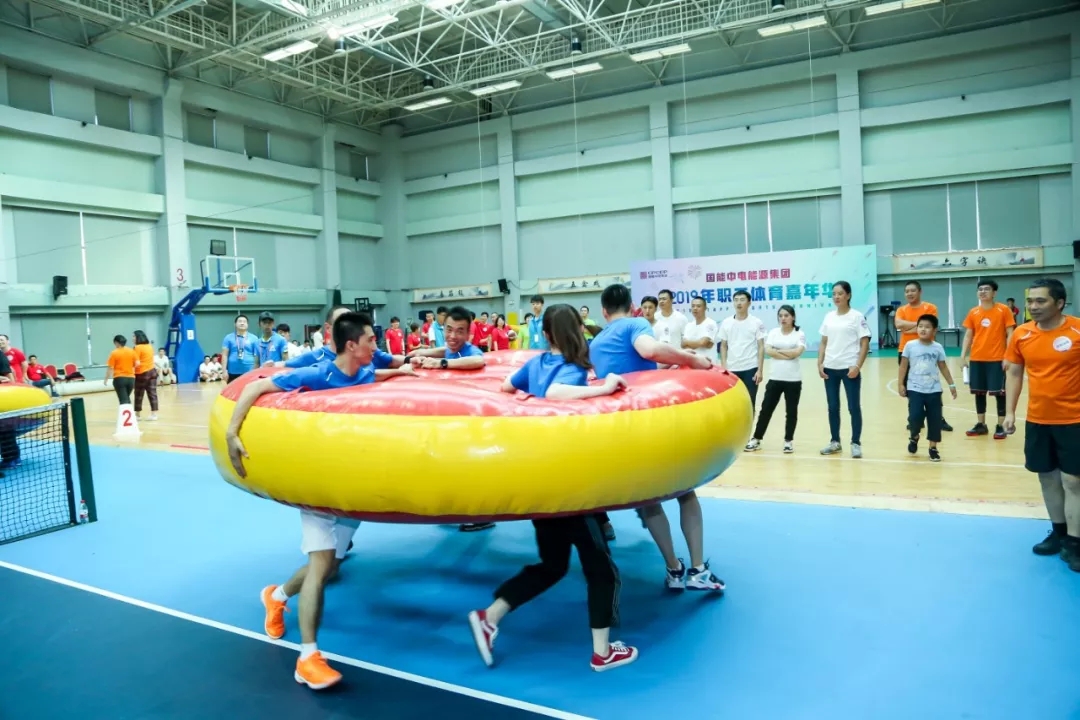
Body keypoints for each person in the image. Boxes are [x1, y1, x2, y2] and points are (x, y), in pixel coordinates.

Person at [230, 312, 415, 690]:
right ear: (352, 345)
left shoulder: (363, 370)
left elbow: (376, 374)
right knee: (321, 565)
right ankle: (308, 658)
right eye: (371, 340)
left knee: (332, 565)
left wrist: (404, 372)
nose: (376, 345)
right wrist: (233, 433)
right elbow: (257, 387)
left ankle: (276, 596)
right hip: (316, 486)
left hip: (348, 488)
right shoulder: (319, 373)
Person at [468, 304, 636, 672]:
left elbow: (506, 387)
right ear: (578, 330)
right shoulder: (571, 369)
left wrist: (527, 399)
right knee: (601, 569)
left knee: (553, 565)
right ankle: (603, 652)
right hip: (569, 485)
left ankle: (489, 616)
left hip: (539, 481)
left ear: (545, 334)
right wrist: (605, 387)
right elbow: (559, 392)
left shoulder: (535, 364)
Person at [590, 284, 724, 592]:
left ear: (604, 312)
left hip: (618, 433)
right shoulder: (636, 324)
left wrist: (669, 363)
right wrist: (690, 359)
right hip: (650, 426)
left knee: (650, 502)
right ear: (632, 307)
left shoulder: (597, 342)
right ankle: (698, 570)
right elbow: (649, 350)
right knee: (685, 493)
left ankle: (673, 569)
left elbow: (632, 367)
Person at [1003, 279, 1080, 573]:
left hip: (1074, 420)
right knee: (1047, 478)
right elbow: (1014, 374)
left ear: (1059, 303)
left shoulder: (1077, 330)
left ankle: (1075, 542)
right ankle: (1059, 533)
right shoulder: (1022, 334)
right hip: (1038, 419)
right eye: (1030, 301)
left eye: (1040, 301)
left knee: (1073, 481)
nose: (1033, 307)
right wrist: (1010, 412)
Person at [818, 281, 871, 459]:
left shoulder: (856, 316)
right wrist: (820, 363)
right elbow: (824, 342)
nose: (836, 297)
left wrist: (858, 365)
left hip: (849, 369)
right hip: (830, 368)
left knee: (853, 407)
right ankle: (835, 442)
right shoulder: (829, 316)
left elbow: (864, 342)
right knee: (833, 407)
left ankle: (855, 443)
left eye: (840, 293)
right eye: (834, 294)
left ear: (848, 295)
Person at [893, 280, 953, 433]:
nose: (909, 293)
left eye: (913, 290)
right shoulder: (901, 309)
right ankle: (915, 418)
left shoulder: (930, 308)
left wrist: (909, 327)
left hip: (927, 350)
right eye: (907, 291)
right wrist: (919, 325)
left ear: (920, 292)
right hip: (906, 351)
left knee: (932, 384)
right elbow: (898, 325)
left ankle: (938, 419)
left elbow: (929, 327)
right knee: (910, 386)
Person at [960, 279, 1016, 440]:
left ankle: (1000, 425)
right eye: (980, 289)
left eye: (986, 289)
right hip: (977, 358)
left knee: (1000, 393)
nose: (983, 292)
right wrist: (963, 356)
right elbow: (969, 335)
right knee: (979, 392)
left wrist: (1008, 355)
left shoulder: (1003, 310)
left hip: (997, 359)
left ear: (994, 293)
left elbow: (1010, 333)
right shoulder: (973, 312)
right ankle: (981, 424)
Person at [745, 305, 805, 454]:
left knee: (791, 412)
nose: (783, 318)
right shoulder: (773, 333)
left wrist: (778, 351)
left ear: (793, 317)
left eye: (786, 315)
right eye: (781, 316)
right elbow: (768, 351)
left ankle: (788, 441)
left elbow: (797, 352)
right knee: (766, 410)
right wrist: (788, 353)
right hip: (775, 378)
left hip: (793, 380)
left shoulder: (799, 333)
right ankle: (756, 439)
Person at [898, 314, 958, 462]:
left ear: (934, 330)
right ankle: (914, 436)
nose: (923, 329)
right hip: (915, 389)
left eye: (927, 327)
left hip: (934, 390)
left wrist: (951, 384)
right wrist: (900, 384)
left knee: (935, 419)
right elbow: (903, 366)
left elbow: (943, 367)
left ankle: (933, 448)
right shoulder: (910, 346)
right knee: (915, 417)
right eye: (920, 326)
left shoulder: (937, 347)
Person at [718, 290, 766, 410]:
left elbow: (761, 346)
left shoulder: (756, 322)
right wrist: (724, 367)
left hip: (751, 367)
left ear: (749, 303)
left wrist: (760, 370)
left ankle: (751, 422)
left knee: (750, 401)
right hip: (732, 368)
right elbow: (723, 346)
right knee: (733, 402)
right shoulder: (726, 322)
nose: (739, 303)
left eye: (742, 300)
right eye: (736, 300)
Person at [132, 330, 159, 421]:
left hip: (141, 373)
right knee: (152, 393)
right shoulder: (150, 346)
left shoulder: (137, 347)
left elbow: (136, 362)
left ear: (138, 337)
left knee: (138, 394)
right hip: (152, 371)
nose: (133, 338)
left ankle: (137, 415)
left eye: (134, 336)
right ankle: (154, 414)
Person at [682, 297, 718, 363]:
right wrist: (700, 343)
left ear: (705, 308)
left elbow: (703, 343)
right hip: (692, 363)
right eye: (693, 306)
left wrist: (688, 342)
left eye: (698, 306)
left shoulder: (710, 323)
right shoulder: (689, 325)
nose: (695, 308)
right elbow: (683, 345)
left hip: (708, 363)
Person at [104, 335, 137, 406]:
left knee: (123, 401)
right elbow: (137, 363)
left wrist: (106, 379)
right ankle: (130, 412)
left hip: (119, 379)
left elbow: (110, 368)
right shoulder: (132, 351)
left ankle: (126, 412)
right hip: (131, 379)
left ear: (116, 343)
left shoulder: (114, 353)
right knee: (126, 398)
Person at [222, 315, 256, 383]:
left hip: (249, 371)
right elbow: (224, 355)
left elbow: (256, 356)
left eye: (244, 322)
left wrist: (256, 371)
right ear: (235, 324)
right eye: (240, 321)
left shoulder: (254, 338)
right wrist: (224, 371)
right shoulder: (228, 338)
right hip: (232, 372)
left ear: (247, 325)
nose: (242, 323)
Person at [652, 289, 688, 353]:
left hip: (677, 356)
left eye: (664, 299)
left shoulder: (681, 318)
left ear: (671, 300)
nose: (661, 301)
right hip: (658, 356)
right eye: (659, 299)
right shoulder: (654, 317)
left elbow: (686, 340)